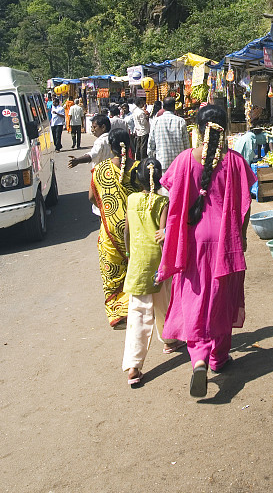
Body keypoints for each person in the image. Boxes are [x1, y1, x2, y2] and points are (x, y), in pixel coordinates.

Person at [156, 104, 256, 398]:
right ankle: (218, 358)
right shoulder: (235, 161)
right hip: (224, 239)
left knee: (195, 296)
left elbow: (169, 197)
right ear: (224, 129)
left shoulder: (186, 159)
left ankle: (199, 356)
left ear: (198, 130)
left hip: (194, 238)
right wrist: (242, 236)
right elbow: (245, 204)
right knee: (222, 295)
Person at [122, 157, 173, 385]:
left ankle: (134, 365)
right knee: (164, 302)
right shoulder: (163, 201)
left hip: (139, 262)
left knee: (139, 314)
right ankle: (170, 339)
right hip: (158, 260)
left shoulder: (131, 199)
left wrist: (128, 253)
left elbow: (127, 230)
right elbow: (163, 234)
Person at [89, 129, 140, 328]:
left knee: (112, 275)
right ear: (129, 145)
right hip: (135, 232)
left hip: (109, 235)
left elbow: (92, 198)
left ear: (110, 147)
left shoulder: (100, 170)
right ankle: (135, 309)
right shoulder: (137, 168)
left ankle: (118, 314)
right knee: (133, 272)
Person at [147, 96, 190, 173]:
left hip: (162, 161)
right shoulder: (181, 121)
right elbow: (186, 144)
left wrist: (151, 158)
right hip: (178, 162)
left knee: (165, 184)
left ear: (163, 107)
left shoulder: (156, 121)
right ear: (174, 107)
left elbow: (151, 143)